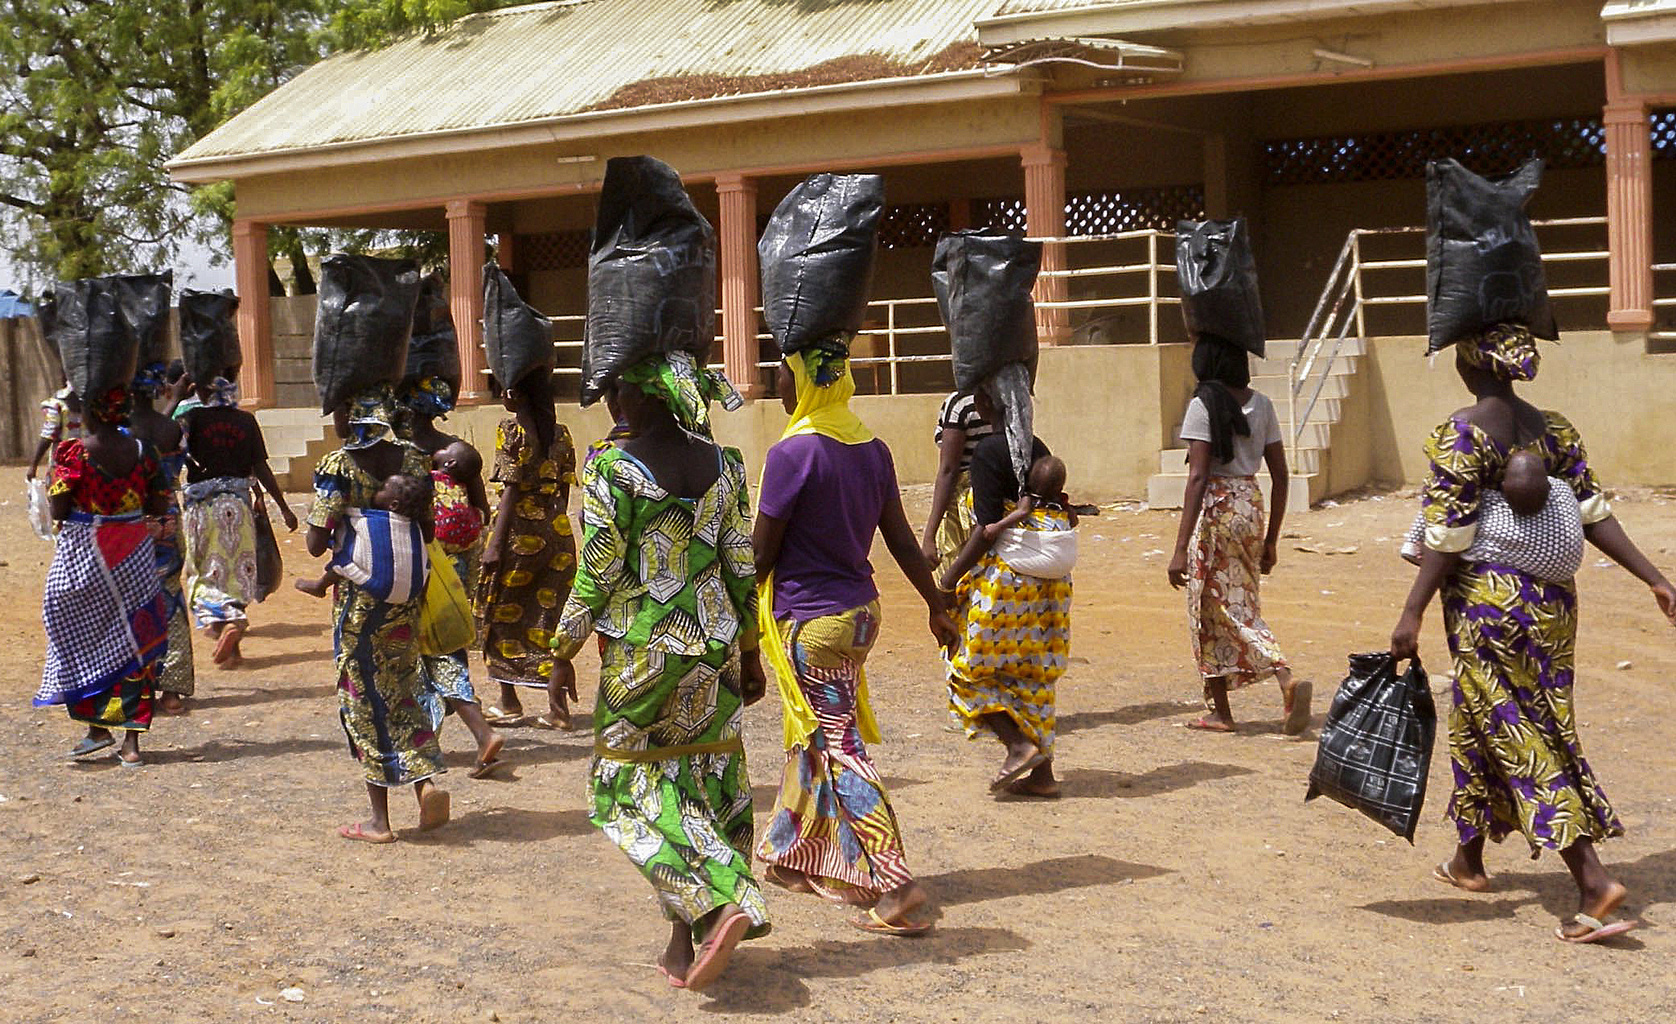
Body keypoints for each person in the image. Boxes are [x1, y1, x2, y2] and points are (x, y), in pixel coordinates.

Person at [1389, 323, 1676, 944]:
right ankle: (1468, 859)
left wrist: (1411, 612)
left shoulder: (1463, 431)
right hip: (1552, 606)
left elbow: (1447, 536)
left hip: (1488, 606)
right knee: (1484, 717)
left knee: (1521, 731)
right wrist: (1655, 579)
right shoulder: (1556, 429)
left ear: (1471, 365)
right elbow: (1593, 513)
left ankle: (1593, 881)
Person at [547, 351, 767, 991]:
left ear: (642, 394)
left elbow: (596, 572)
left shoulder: (612, 469)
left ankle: (721, 898)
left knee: (618, 787)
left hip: (645, 651)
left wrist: (561, 654)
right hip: (716, 649)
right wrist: (749, 649)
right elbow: (739, 564)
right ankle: (684, 939)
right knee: (702, 776)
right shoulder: (726, 465)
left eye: (614, 390)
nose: (611, 404)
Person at [754, 348, 958, 936]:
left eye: (783, 381)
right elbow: (899, 538)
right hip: (860, 616)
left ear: (805, 386)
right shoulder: (872, 448)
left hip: (813, 624)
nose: (782, 392)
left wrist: (726, 605)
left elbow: (762, 555)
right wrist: (935, 605)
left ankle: (897, 886)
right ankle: (792, 853)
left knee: (838, 744)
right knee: (813, 734)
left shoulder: (791, 454)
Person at [307, 386, 450, 844]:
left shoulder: (340, 464)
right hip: (406, 594)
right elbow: (427, 527)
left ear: (354, 415)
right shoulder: (412, 459)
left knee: (364, 696)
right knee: (406, 685)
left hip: (360, 599)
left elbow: (314, 543)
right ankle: (425, 782)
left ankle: (378, 821)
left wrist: (359, 521)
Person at [1166, 334, 1310, 735]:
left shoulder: (1202, 406)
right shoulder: (1262, 404)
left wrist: (1180, 548)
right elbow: (1281, 476)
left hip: (1216, 511)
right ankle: (1221, 711)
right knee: (1238, 601)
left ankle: (1281, 674)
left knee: (1209, 609)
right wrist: (1271, 539)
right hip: (1251, 504)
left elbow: (1197, 477)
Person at [939, 374, 1071, 797]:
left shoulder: (990, 453)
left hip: (1009, 581)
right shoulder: (1036, 446)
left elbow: (984, 530)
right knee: (1033, 672)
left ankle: (1016, 745)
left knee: (966, 665)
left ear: (982, 401)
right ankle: (1042, 771)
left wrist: (948, 579)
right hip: (1050, 584)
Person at [35, 384, 172, 766]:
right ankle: (131, 744)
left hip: (85, 553)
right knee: (135, 640)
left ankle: (97, 727)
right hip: (133, 553)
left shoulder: (73, 452)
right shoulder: (145, 452)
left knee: (77, 633)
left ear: (92, 414)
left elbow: (60, 508)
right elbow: (159, 501)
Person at [402, 375, 504, 777]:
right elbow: (482, 511)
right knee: (447, 646)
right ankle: (430, 736)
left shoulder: (402, 455)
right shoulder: (459, 451)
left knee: (429, 653)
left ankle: (478, 734)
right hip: (459, 568)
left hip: (421, 566)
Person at [476, 367, 578, 727]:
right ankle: (558, 710)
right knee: (548, 620)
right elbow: (564, 490)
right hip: (557, 532)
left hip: (519, 534)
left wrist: (495, 545)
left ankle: (509, 701)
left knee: (500, 613)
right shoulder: (561, 435)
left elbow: (511, 490)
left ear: (517, 396)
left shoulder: (512, 431)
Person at [179, 375, 297, 667]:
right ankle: (234, 640)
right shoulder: (246, 421)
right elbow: (260, 467)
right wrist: (283, 508)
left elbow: (170, 450)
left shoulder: (191, 419)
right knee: (238, 573)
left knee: (206, 573)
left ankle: (219, 628)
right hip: (238, 507)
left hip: (203, 509)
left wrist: (177, 399)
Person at [128, 362, 195, 714]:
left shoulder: (121, 430)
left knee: (130, 602)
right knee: (170, 600)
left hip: (129, 522)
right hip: (167, 518)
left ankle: (136, 688)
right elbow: (165, 437)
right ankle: (172, 691)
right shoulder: (168, 428)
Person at [294, 473, 431, 598]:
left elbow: (344, 522)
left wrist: (319, 510)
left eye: (382, 489)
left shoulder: (368, 521)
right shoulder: (415, 527)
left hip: (381, 587)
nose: (376, 490)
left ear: (393, 505)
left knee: (345, 559)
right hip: (413, 589)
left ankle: (320, 585)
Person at [919, 389, 993, 568]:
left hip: (966, 506)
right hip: (1002, 500)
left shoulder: (961, 403)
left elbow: (949, 470)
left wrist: (929, 536)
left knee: (951, 576)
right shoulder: (1013, 395)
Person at [26, 380, 82, 482]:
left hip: (65, 462)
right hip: (71, 461)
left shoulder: (58, 404)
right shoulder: (95, 403)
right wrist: (33, 466)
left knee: (59, 493)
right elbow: (48, 435)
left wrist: (33, 466)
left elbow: (48, 436)